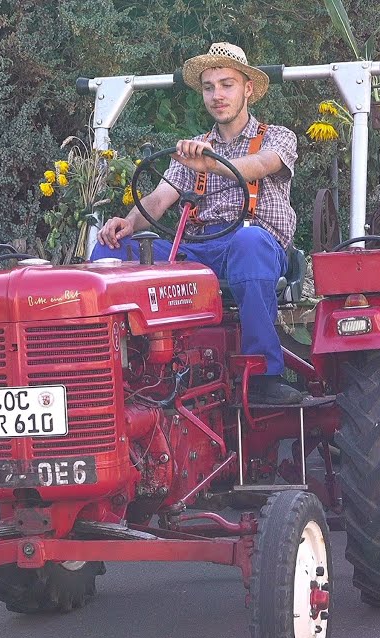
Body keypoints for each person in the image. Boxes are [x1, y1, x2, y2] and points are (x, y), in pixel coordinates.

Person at [92, 42, 302, 406]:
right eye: (209, 87)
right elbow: (159, 199)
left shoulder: (276, 137)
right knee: (109, 249)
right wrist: (125, 224)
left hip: (257, 244)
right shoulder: (194, 148)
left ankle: (265, 375)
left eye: (226, 84)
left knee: (248, 245)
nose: (217, 95)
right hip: (199, 251)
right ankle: (106, 373)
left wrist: (211, 164)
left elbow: (258, 166)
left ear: (247, 89)